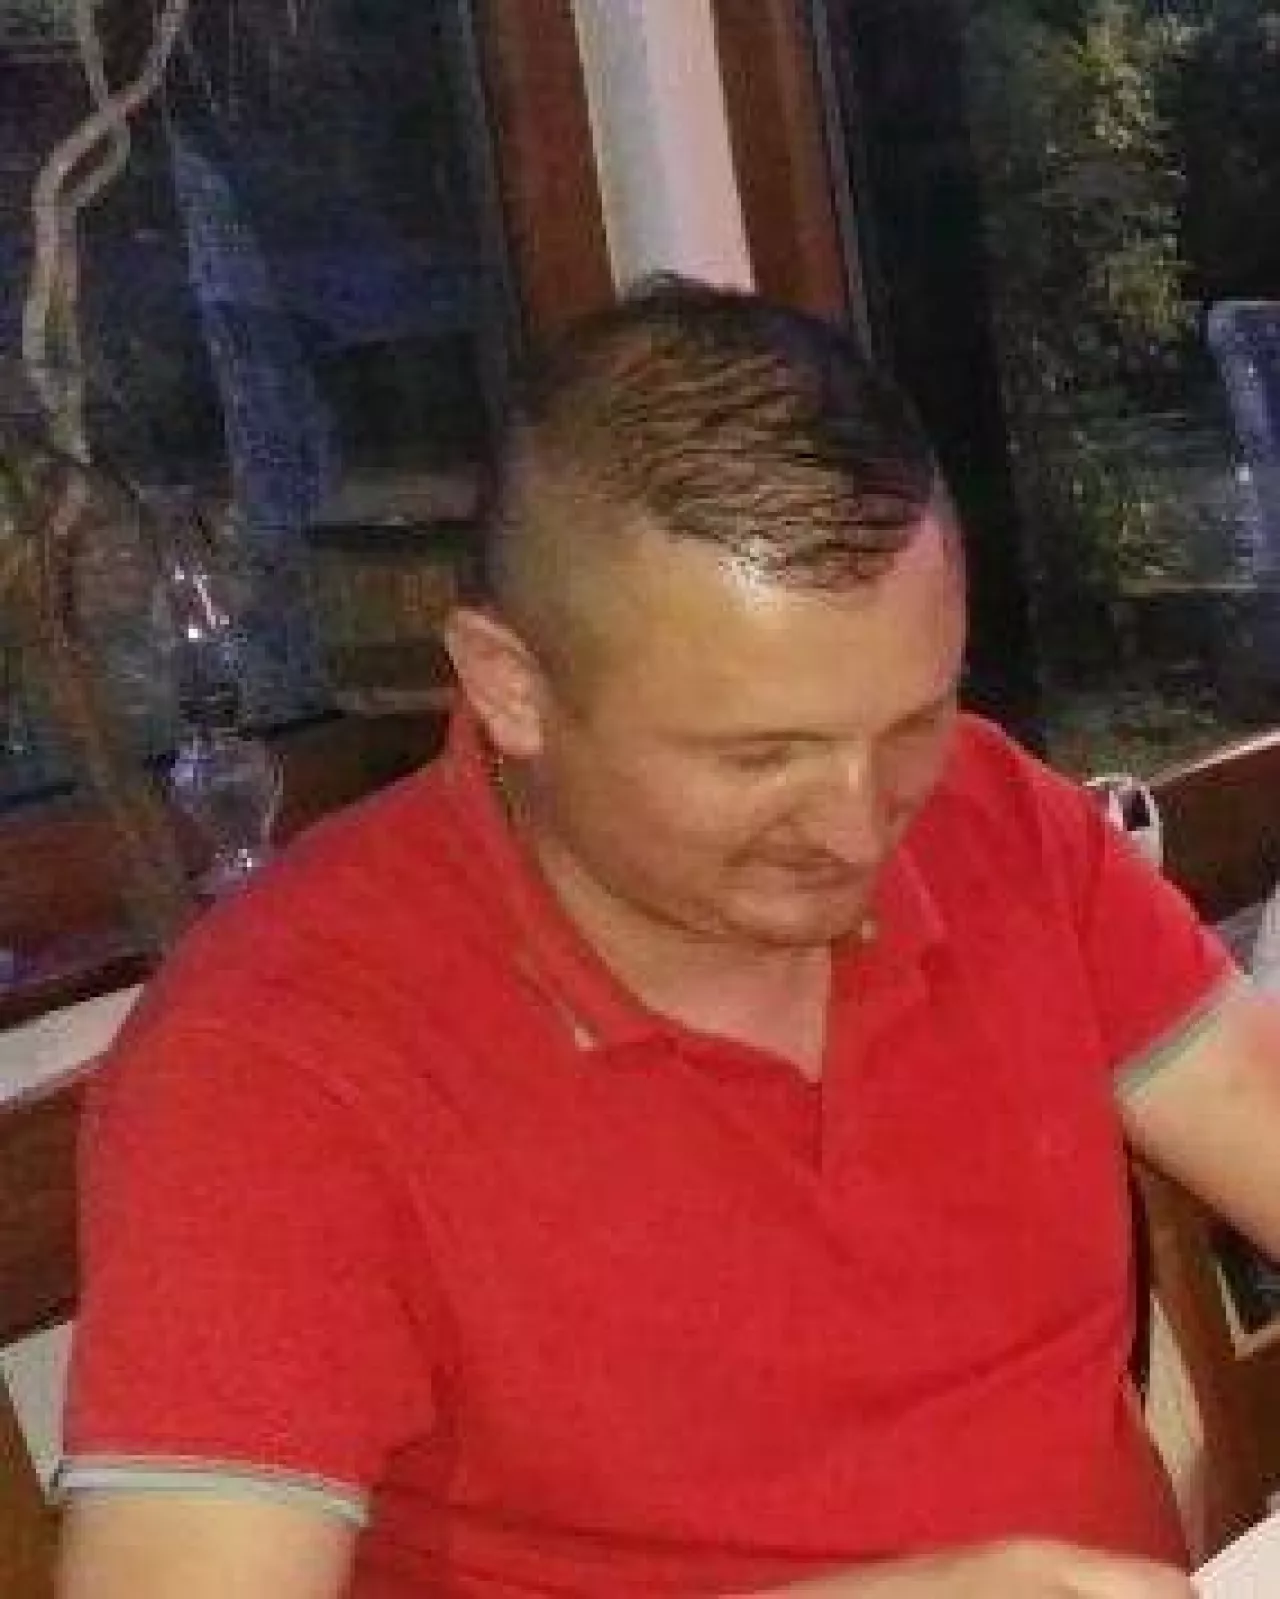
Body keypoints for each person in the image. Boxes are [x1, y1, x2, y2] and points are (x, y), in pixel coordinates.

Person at [57, 281, 1280, 1599]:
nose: (859, 823)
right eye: (760, 755)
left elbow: (1253, 1106)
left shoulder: (993, 818)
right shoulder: (276, 1057)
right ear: (512, 686)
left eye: (910, 721)